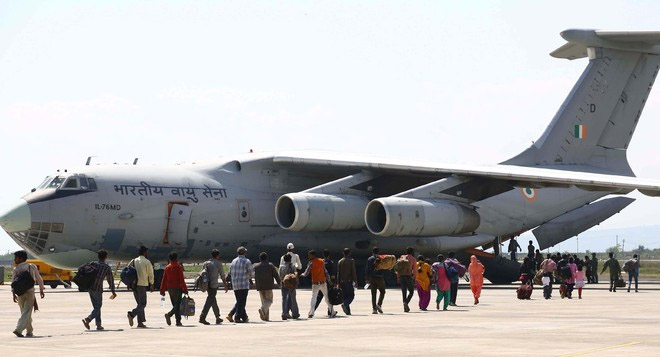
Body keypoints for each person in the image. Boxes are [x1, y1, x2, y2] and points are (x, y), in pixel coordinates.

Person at [11, 250, 45, 337]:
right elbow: (38, 278)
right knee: (26, 313)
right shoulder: (32, 266)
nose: (15, 260)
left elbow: (13, 283)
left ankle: (29, 331)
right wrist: (41, 289)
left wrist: (13, 294)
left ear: (21, 258)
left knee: (24, 312)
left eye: (16, 258)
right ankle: (19, 330)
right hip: (30, 292)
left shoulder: (16, 269)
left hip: (20, 293)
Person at [82, 249, 116, 331]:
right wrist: (113, 291)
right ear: (105, 257)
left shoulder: (93, 263)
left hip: (90, 288)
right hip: (98, 289)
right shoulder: (106, 267)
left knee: (96, 307)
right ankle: (88, 319)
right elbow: (110, 280)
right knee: (98, 307)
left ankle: (98, 324)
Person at [300, 250, 337, 318]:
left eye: (310, 255)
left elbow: (306, 273)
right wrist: (330, 281)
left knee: (314, 298)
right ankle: (332, 312)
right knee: (327, 298)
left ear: (313, 255)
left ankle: (311, 313)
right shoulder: (321, 261)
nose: (309, 256)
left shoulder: (311, 263)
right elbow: (326, 272)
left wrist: (301, 275)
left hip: (315, 284)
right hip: (323, 283)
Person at [127, 246, 154, 328]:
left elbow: (128, 271)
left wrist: (128, 283)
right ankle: (132, 314)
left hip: (134, 285)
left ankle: (140, 322)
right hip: (142, 285)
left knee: (139, 304)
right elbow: (150, 274)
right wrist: (152, 284)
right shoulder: (147, 262)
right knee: (143, 304)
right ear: (145, 253)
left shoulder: (134, 261)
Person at [200, 249, 228, 325]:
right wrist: (225, 286)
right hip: (213, 285)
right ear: (218, 256)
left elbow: (202, 274)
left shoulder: (206, 263)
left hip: (206, 285)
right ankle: (202, 317)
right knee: (209, 301)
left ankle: (217, 317)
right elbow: (222, 276)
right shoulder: (218, 264)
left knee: (213, 300)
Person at [160, 252, 188, 327]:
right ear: (176, 258)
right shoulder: (178, 267)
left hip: (170, 288)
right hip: (177, 288)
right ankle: (169, 315)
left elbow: (164, 279)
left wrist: (162, 290)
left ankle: (178, 321)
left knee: (175, 305)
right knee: (178, 305)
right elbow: (181, 280)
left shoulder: (167, 267)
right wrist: (185, 289)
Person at [228, 246, 254, 323]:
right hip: (243, 284)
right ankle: (237, 316)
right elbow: (252, 273)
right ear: (244, 253)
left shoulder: (233, 261)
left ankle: (244, 317)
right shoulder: (247, 261)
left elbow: (230, 273)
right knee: (242, 302)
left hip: (235, 284)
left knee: (239, 301)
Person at [253, 252, 281, 321]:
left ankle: (266, 317)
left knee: (264, 302)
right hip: (268, 286)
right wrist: (279, 283)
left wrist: (253, 284)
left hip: (260, 286)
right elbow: (276, 275)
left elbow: (253, 276)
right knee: (269, 301)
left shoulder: (256, 267)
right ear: (266, 258)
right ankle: (262, 310)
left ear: (260, 258)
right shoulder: (270, 265)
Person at [336, 248, 357, 315]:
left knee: (345, 296)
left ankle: (348, 311)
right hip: (348, 280)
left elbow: (338, 273)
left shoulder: (340, 261)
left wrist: (338, 283)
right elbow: (353, 271)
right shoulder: (351, 260)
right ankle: (344, 304)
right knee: (351, 296)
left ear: (343, 253)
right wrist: (355, 281)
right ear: (349, 253)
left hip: (342, 281)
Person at [314, 249, 335, 315]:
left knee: (318, 297)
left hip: (320, 281)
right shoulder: (331, 263)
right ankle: (330, 311)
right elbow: (332, 275)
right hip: (328, 283)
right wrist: (333, 282)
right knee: (329, 297)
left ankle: (313, 310)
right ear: (329, 255)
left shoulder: (320, 262)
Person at [279, 253, 300, 320]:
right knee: (293, 299)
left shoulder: (281, 267)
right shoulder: (293, 266)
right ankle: (295, 314)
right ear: (290, 259)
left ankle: (284, 314)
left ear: (284, 260)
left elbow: (279, 276)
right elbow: (295, 274)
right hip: (291, 284)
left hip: (284, 284)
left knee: (284, 299)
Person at [365, 247, 386, 314]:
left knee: (373, 294)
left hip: (372, 278)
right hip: (380, 277)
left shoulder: (369, 259)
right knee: (382, 291)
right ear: (378, 252)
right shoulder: (381, 258)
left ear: (372, 252)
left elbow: (367, 269)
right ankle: (379, 304)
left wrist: (367, 279)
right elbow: (384, 267)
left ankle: (374, 309)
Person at [397, 247, 417, 313]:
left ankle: (405, 307)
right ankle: (406, 302)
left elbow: (398, 267)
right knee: (411, 291)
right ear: (412, 252)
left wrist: (398, 276)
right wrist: (414, 278)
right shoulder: (413, 259)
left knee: (404, 292)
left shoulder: (402, 257)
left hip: (401, 276)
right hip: (408, 276)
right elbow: (414, 270)